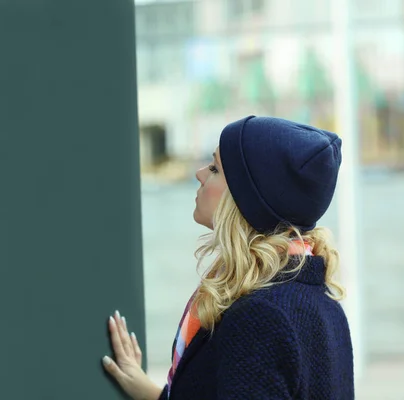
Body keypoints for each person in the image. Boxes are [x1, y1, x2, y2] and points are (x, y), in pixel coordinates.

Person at [102, 115, 354, 399]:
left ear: (246, 199)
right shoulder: (323, 305)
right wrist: (147, 390)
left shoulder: (259, 319)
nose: (199, 173)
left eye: (214, 168)